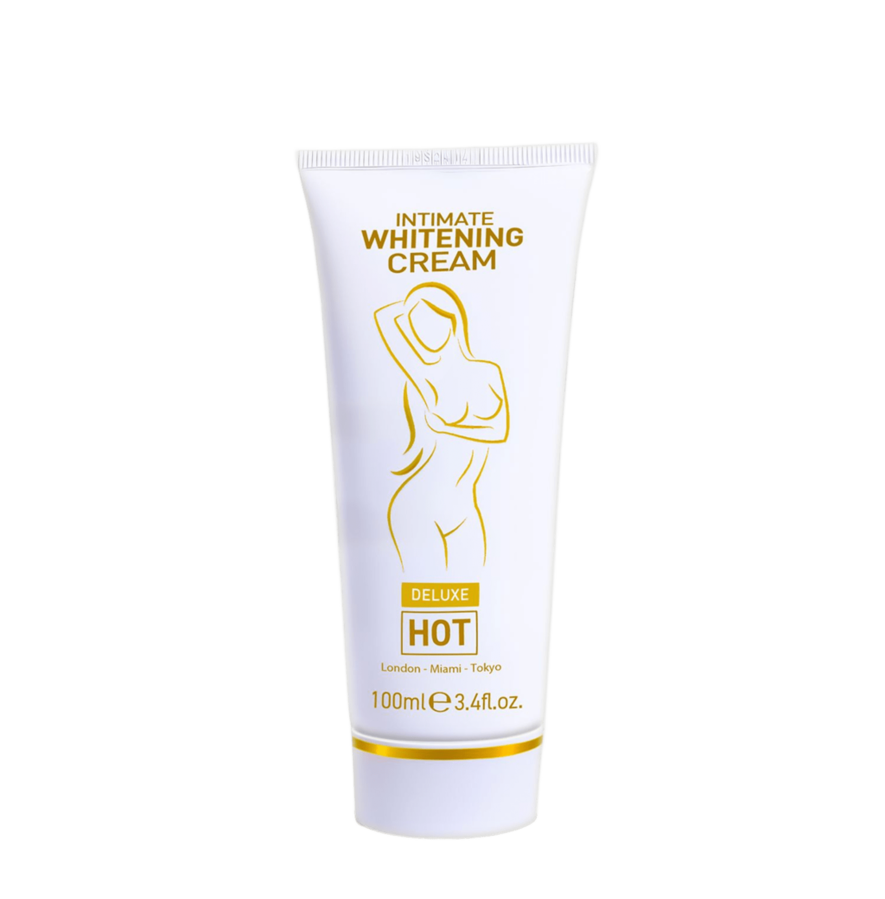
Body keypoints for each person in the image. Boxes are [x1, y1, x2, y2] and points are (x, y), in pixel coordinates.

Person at [374, 282, 510, 571]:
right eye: (416, 324)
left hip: (465, 507)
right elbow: (385, 318)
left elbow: (499, 431)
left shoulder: (488, 372)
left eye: (432, 320)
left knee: (477, 583)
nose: (425, 332)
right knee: (417, 587)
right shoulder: (426, 376)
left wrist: (447, 427)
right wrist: (409, 297)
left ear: (452, 319)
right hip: (418, 505)